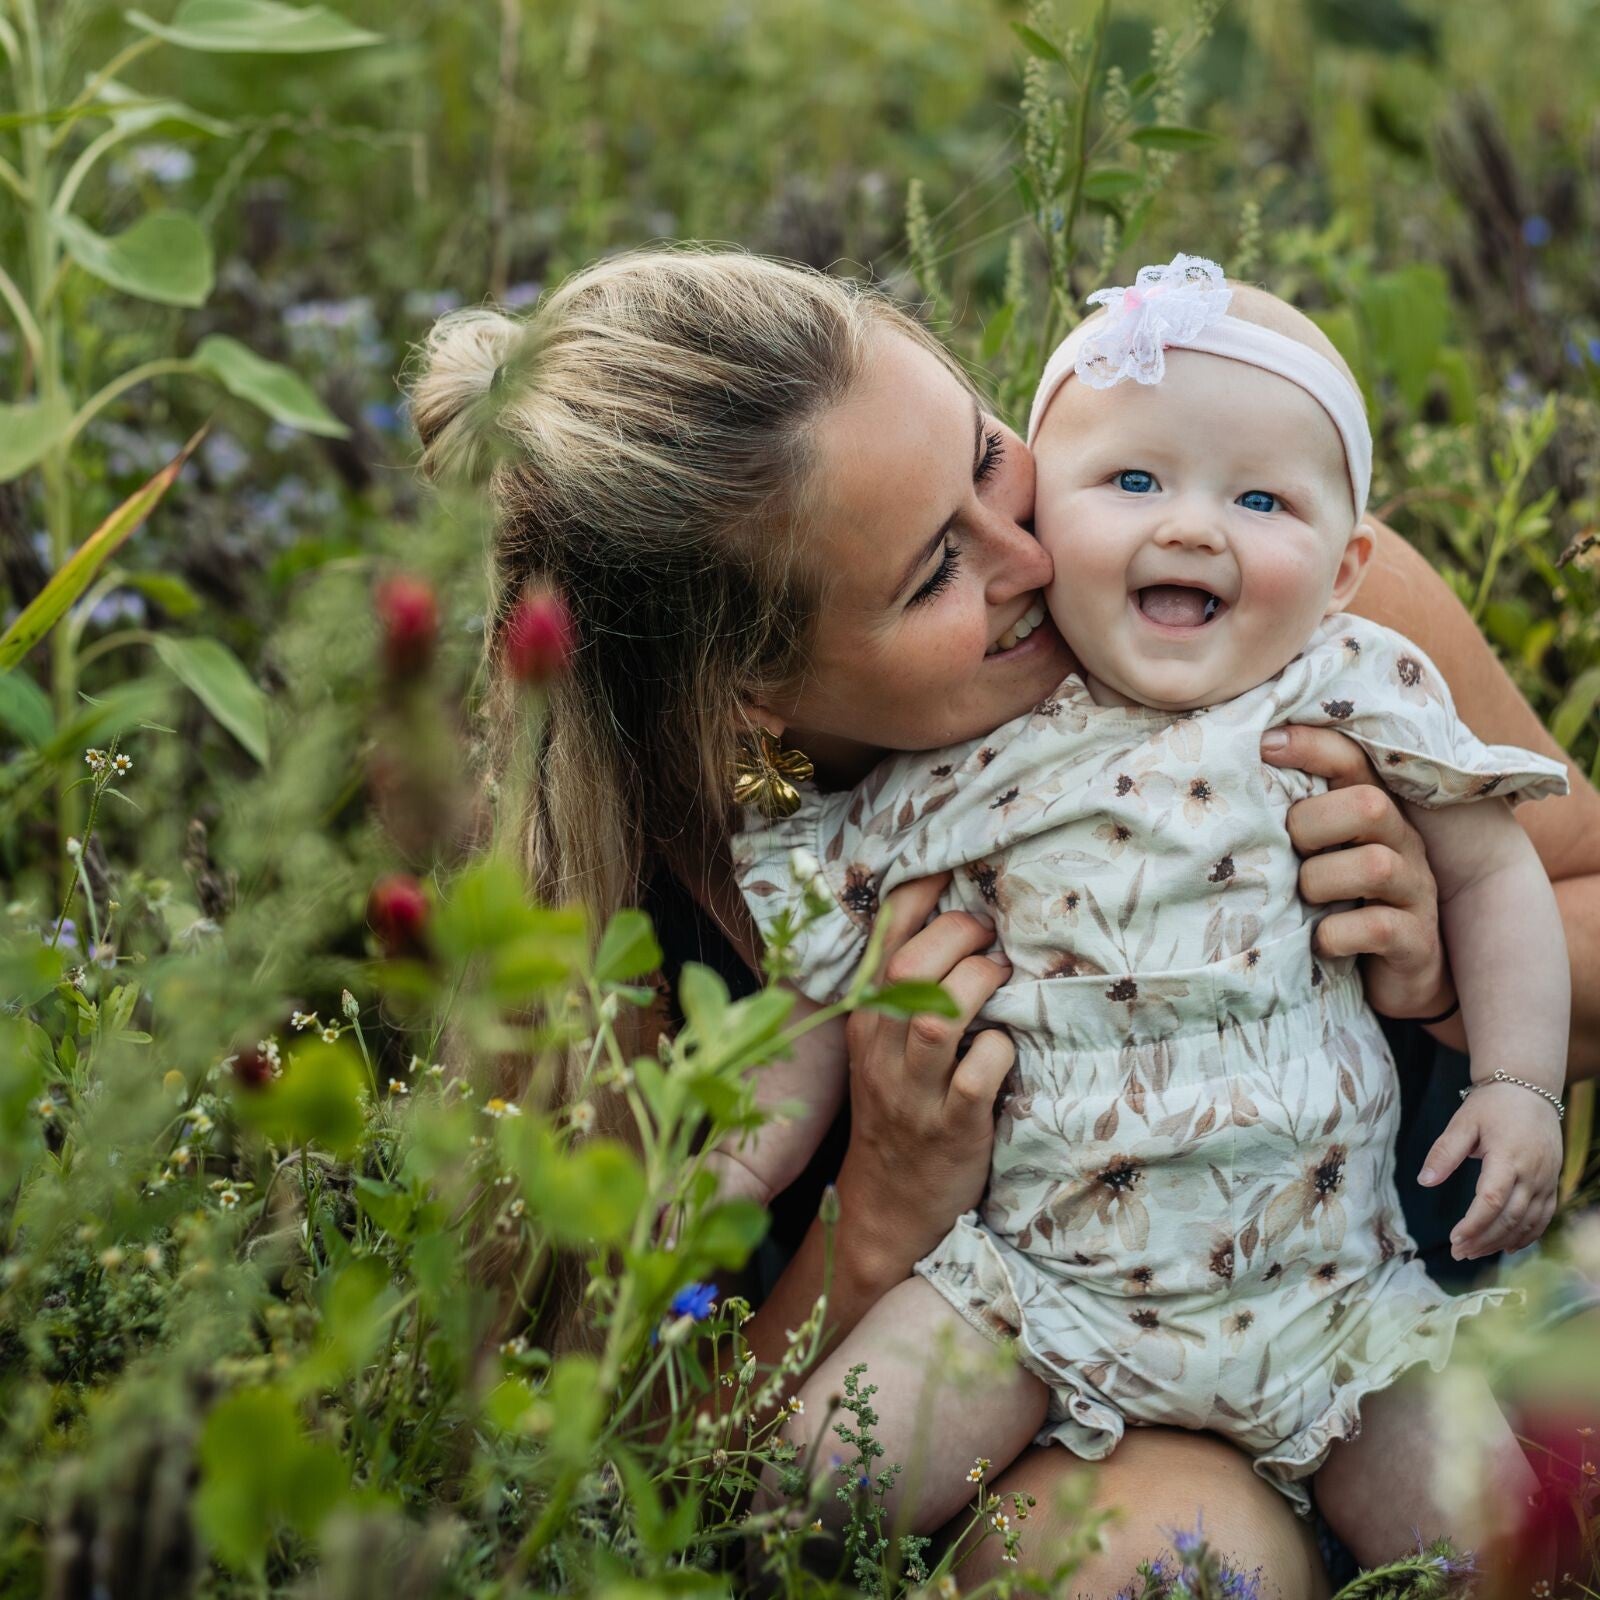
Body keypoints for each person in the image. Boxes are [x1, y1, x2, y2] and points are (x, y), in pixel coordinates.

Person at [406, 246, 1600, 1594]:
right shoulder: (601, 918)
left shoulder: (1287, 585)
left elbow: (1571, 893)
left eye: (987, 455)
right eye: (935, 573)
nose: (1032, 553)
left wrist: (1436, 977)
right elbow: (627, 1449)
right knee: (1162, 1571)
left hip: (1367, 1306)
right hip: (1045, 1364)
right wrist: (878, 1213)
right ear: (749, 694)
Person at [725, 255, 1568, 1567]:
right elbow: (815, 992)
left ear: (1346, 566)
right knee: (794, 1503)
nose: (1192, 528)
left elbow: (1498, 873)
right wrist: (728, 1169)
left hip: (1335, 1306)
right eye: (1131, 482)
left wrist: (1513, 1073)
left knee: (1507, 1555)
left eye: (1260, 500)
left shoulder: (1344, 685)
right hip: (1037, 1290)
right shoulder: (957, 760)